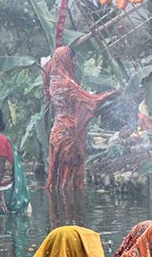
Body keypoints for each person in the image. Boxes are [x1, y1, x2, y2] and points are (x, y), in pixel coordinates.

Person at [45, 46, 117, 190]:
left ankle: (56, 211)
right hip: (70, 134)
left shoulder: (53, 82)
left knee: (59, 181)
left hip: (57, 133)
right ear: (67, 60)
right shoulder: (69, 84)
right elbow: (91, 101)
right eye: (74, 59)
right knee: (70, 182)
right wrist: (111, 94)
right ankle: (72, 211)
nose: (76, 63)